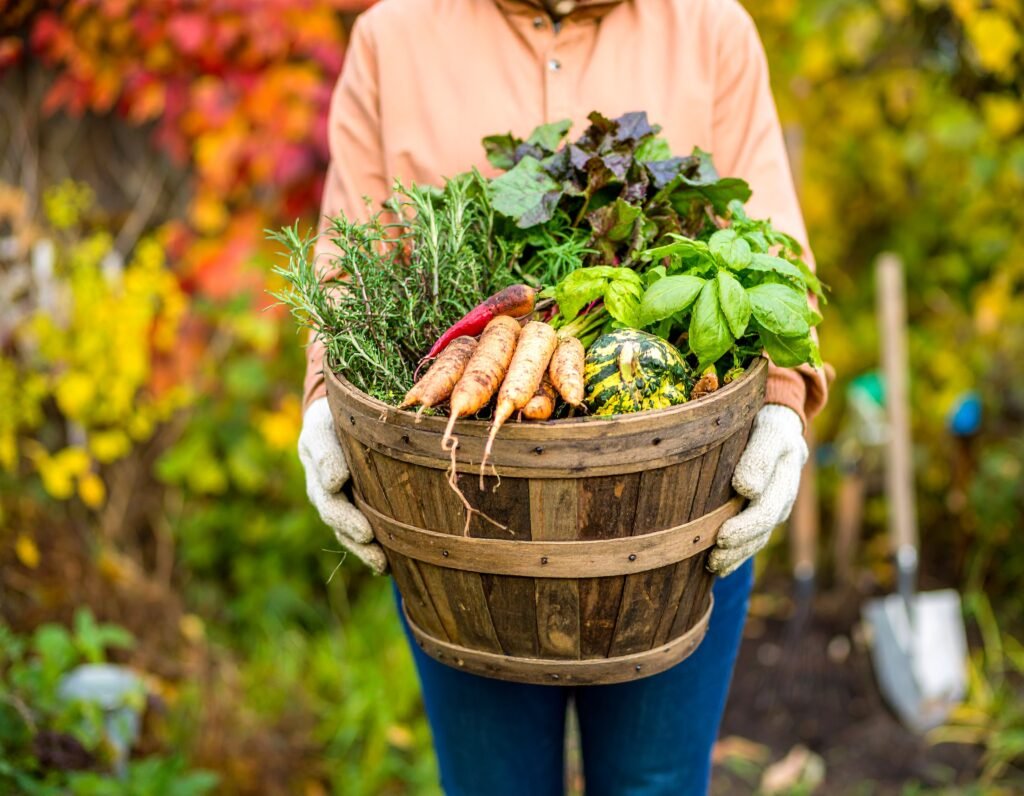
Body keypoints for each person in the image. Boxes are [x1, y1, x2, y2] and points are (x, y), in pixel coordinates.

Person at [296, 1, 829, 793]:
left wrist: (783, 403)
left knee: (656, 784)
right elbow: (343, 256)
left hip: (677, 514)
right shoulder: (392, 35)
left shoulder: (713, 26)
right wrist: (321, 405)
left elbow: (773, 242)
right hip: (465, 516)